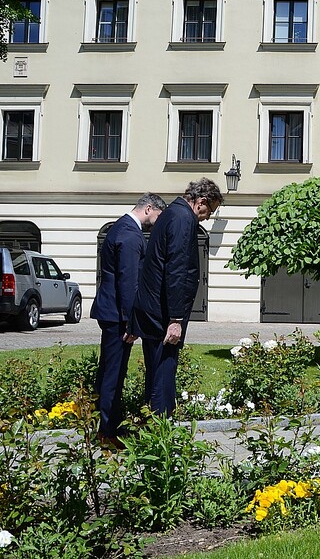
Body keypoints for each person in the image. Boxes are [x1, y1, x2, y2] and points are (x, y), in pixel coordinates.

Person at [126, 178, 222, 417]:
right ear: (200, 202)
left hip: (155, 311)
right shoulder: (182, 219)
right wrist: (176, 319)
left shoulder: (171, 213)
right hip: (163, 315)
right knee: (163, 373)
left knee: (156, 372)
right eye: (209, 211)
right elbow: (176, 270)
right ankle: (161, 432)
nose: (207, 217)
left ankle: (152, 426)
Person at [90, 194, 167, 445]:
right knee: (113, 373)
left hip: (111, 312)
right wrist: (130, 322)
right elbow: (128, 281)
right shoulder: (131, 235)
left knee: (109, 370)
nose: (156, 224)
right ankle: (107, 432)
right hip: (117, 316)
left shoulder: (119, 227)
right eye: (157, 217)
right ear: (148, 208)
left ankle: (102, 425)